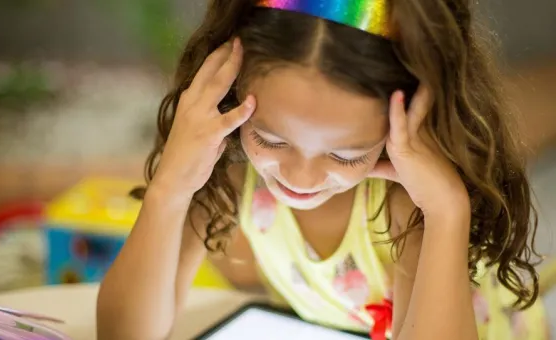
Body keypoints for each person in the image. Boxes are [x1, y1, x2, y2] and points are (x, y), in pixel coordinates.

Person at [96, 0, 550, 339]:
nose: (301, 178)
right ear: (230, 98)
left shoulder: (406, 208)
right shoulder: (233, 185)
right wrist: (170, 187)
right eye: (271, 139)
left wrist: (448, 209)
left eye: (346, 155)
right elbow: (123, 335)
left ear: (411, 123)